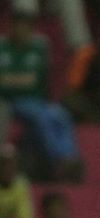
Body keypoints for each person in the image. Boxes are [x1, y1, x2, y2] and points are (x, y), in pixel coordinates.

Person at [0, 13, 83, 180]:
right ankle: (58, 160)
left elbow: (39, 79)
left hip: (35, 101)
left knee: (61, 115)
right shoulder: (3, 48)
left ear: (30, 29)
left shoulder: (39, 48)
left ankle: (70, 157)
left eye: (24, 27)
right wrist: (22, 81)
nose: (20, 31)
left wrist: (13, 79)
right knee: (41, 118)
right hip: (9, 101)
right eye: (17, 26)